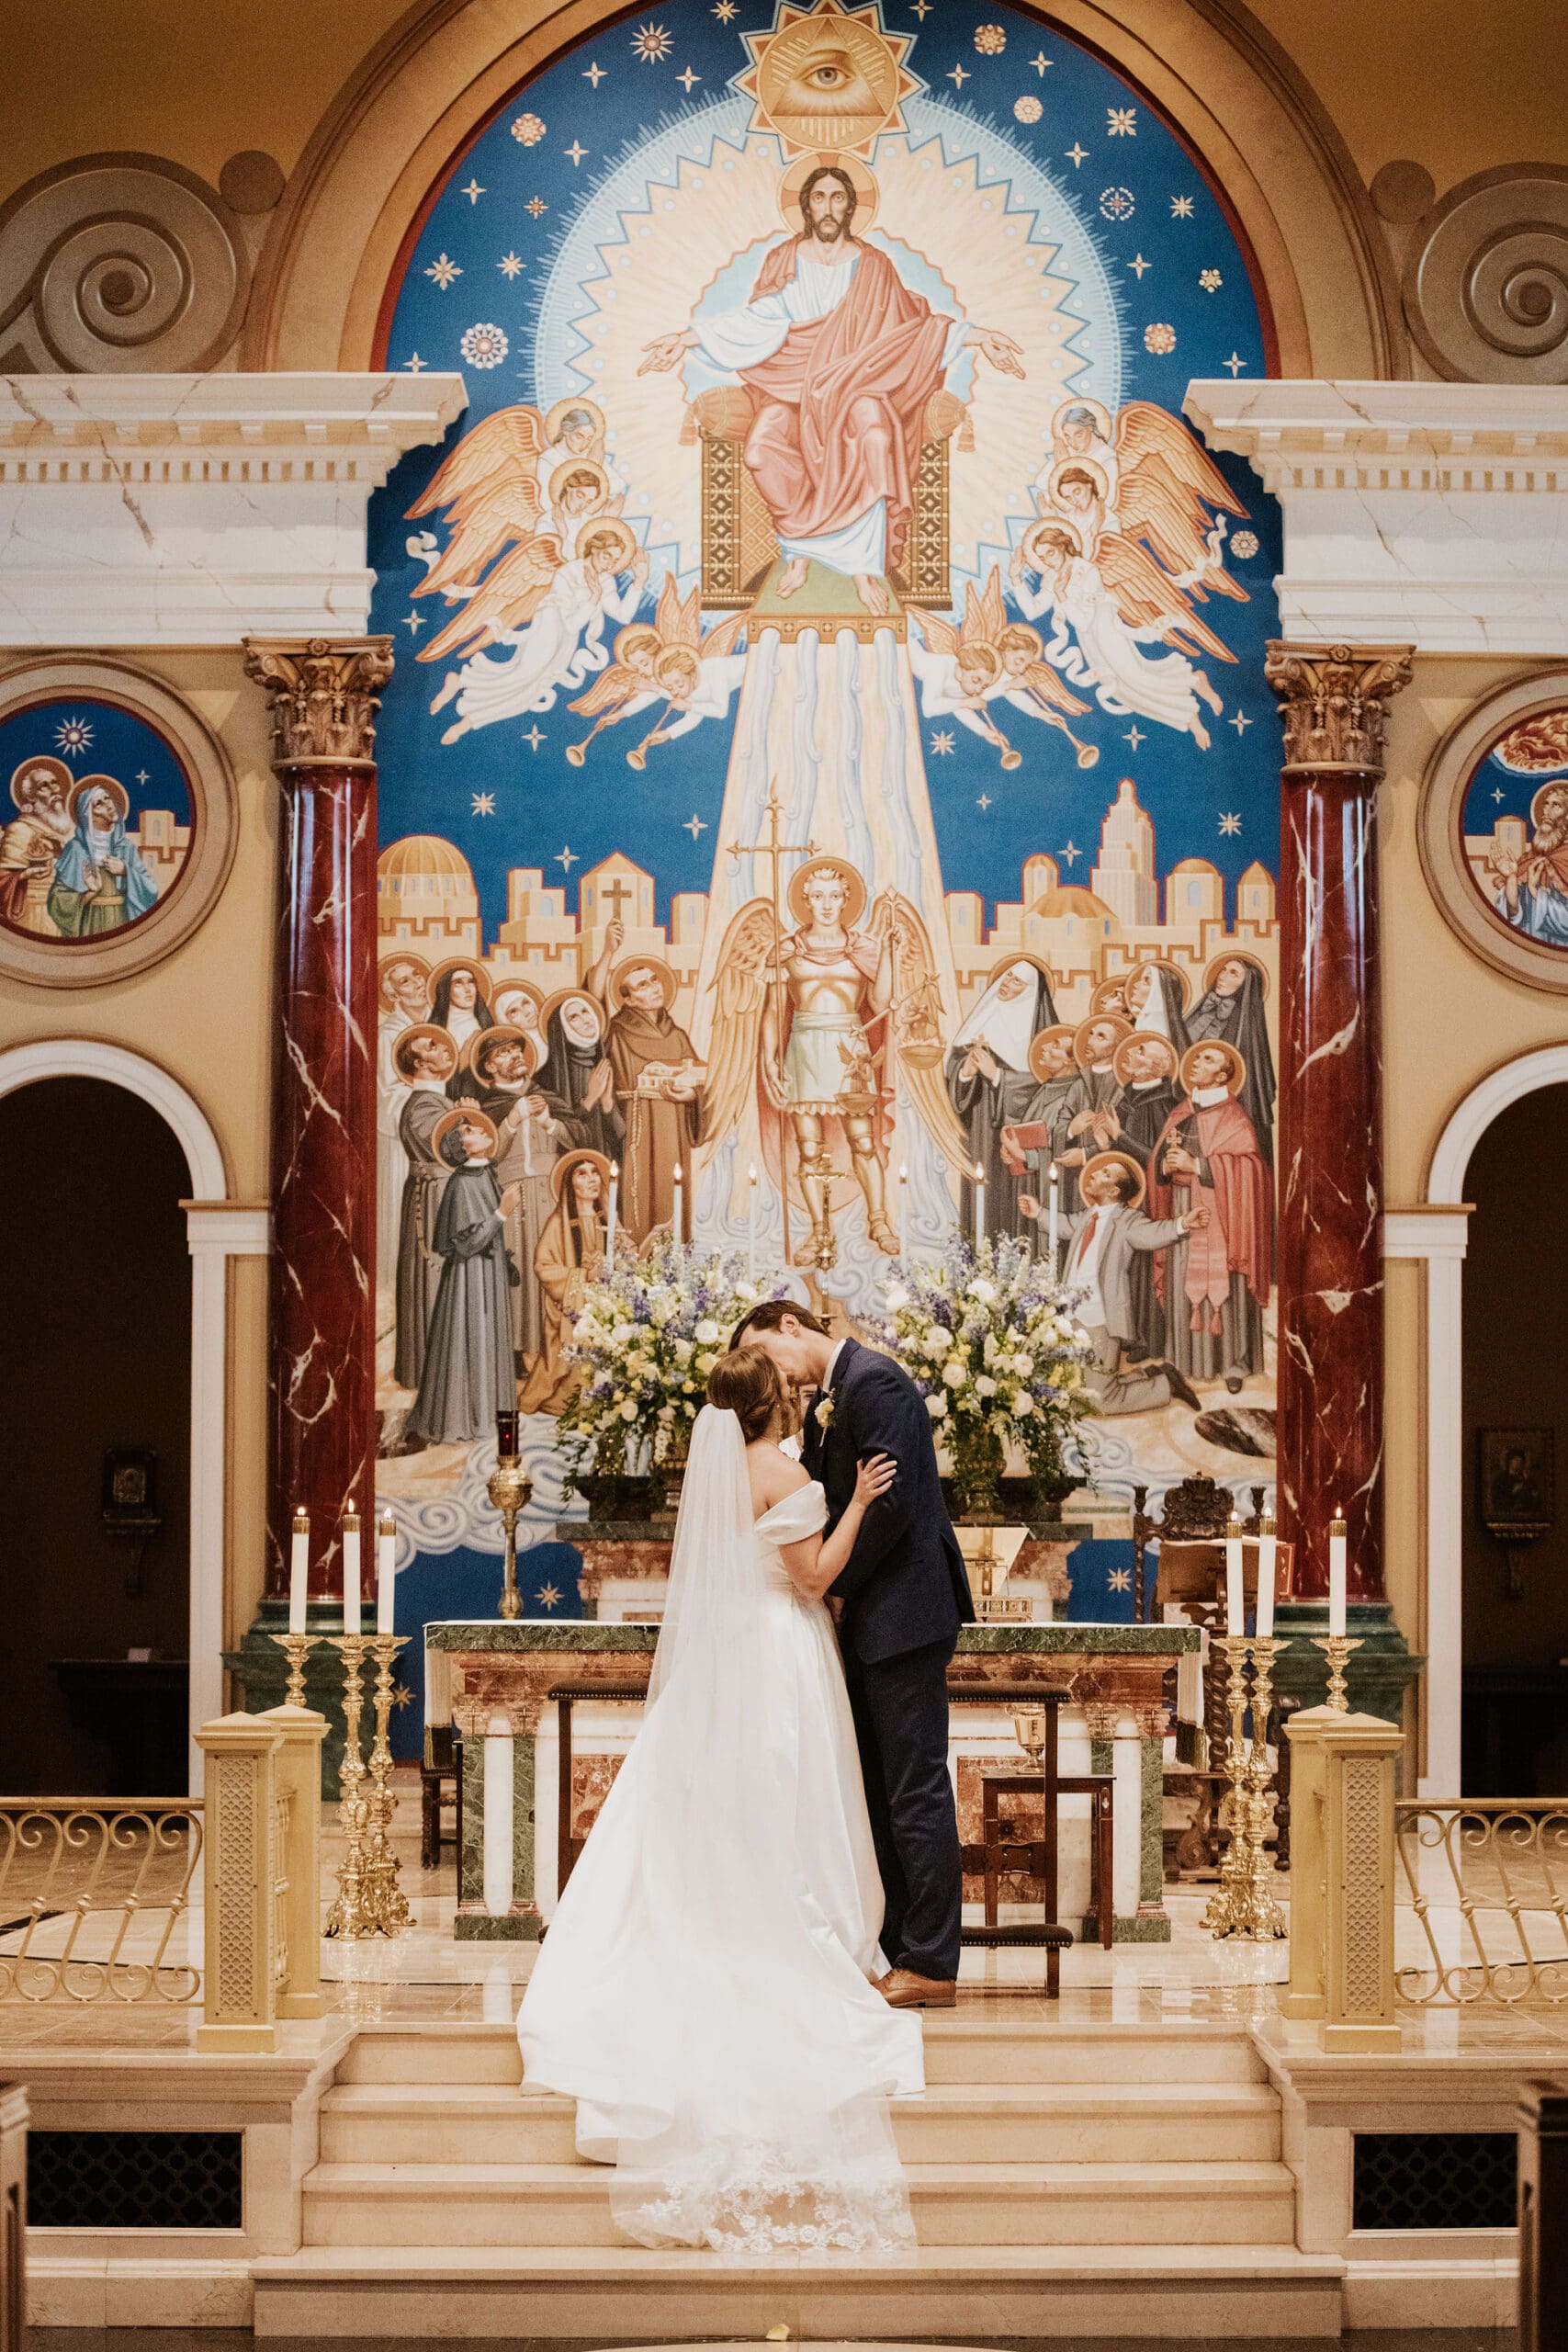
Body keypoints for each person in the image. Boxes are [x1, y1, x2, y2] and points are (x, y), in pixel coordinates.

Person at [517, 1351, 921, 2254]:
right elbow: (813, 1576)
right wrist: (855, 1501)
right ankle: (786, 1924)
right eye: (794, 1386)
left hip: (728, 1655)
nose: (806, 1392)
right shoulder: (781, 1469)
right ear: (772, 1400)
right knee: (784, 1806)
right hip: (781, 1651)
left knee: (706, 1807)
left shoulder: (723, 1468)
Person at [639, 162, 1021, 617]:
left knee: (876, 437)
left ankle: (863, 569)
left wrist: (977, 335)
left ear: (851, 206)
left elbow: (908, 330)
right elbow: (758, 323)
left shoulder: (874, 266)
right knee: (762, 450)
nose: (827, 207)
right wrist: (684, 340)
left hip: (861, 383)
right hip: (794, 387)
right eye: (818, 197)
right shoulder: (784, 259)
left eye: (837, 198)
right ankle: (799, 551)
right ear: (805, 205)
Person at [736, 1299, 974, 2007]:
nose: (775, 1377)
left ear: (789, 1325)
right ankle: (898, 1945)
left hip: (902, 1610)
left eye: (769, 1354)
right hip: (873, 1614)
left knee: (914, 1787)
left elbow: (891, 1501)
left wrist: (835, 1587)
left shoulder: (875, 1382)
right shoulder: (830, 1400)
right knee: (879, 1788)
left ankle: (932, 1960)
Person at [1021, 1152, 1204, 1414]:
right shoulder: (1089, 1215)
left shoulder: (1126, 1220)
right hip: (1072, 1315)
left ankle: (1165, 1385)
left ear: (1114, 1190)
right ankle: (1152, 1373)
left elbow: (1151, 1234)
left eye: (1104, 1174)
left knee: (1099, 1401)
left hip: (1101, 1318)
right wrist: (1039, 1212)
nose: (1094, 1173)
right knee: (1075, 1390)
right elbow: (1066, 1225)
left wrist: (1182, 1224)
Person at [1146, 1041, 1272, 1394]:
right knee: (1181, 1279)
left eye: (1208, 1059)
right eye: (1197, 1057)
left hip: (1223, 1215)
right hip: (1182, 1209)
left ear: (1223, 1074)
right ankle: (1182, 1359)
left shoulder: (1235, 1117)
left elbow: (1251, 1170)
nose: (1197, 1063)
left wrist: (1198, 1165)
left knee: (1226, 1287)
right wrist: (1163, 1166)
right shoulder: (1180, 1113)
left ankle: (1232, 1362)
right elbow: (1157, 1162)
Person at [404, 1110, 520, 1446]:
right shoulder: (461, 1183)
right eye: (469, 1130)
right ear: (462, 1147)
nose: (481, 1129)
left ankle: (490, 1416)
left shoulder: (485, 1173)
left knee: (489, 1334)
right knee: (472, 1334)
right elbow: (464, 1243)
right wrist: (502, 1212)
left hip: (490, 1270)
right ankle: (467, 1417)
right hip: (470, 1277)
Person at [944, 959, 1057, 1241]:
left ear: (1030, 991)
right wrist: (967, 1072)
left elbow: (1045, 1083)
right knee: (983, 1194)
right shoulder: (980, 1024)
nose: (1007, 983)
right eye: (1007, 977)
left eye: (1017, 981)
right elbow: (955, 1078)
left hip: (1019, 1136)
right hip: (981, 1130)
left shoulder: (1041, 1037)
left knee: (1017, 1201)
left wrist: (996, 1075)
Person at [601, 961, 703, 1245]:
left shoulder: (677, 1035)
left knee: (672, 1193)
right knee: (639, 1198)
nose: (654, 987)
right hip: (637, 1127)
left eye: (654, 979)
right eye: (642, 985)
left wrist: (692, 1095)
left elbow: (699, 1080)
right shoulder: (616, 1032)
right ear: (629, 998)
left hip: (674, 1128)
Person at [391, 1024, 458, 1392]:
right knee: (435, 1276)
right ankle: (435, 1372)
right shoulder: (422, 1104)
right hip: (433, 1200)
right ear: (420, 1063)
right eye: (432, 1046)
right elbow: (447, 1149)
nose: (444, 1047)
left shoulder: (438, 1100)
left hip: (444, 1194)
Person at [518, 1149, 611, 1416]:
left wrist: (652, 1237)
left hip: (602, 1305)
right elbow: (543, 1267)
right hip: (569, 1307)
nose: (592, 1179)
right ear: (570, 1184)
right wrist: (582, 1277)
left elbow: (625, 1256)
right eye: (583, 1174)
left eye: (595, 1173)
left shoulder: (605, 1219)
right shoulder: (558, 1223)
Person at [1187, 953, 1275, 1167]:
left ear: (1246, 984)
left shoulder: (1245, 1025)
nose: (1223, 976)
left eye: (1233, 973)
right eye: (1223, 970)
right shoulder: (1203, 1009)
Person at [47, 778, 159, 936]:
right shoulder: (76, 849)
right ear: (88, 815)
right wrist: (91, 892)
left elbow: (151, 890)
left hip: (123, 922)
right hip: (89, 923)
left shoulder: (126, 847)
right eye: (98, 804)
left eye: (107, 798)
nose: (108, 804)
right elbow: (56, 901)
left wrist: (126, 871)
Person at [0, 757, 73, 936]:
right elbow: (3, 879)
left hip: (70, 912)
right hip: (35, 912)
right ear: (31, 796)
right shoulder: (19, 830)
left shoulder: (71, 831)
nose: (54, 789)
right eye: (44, 785)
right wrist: (25, 875)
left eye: (55, 783)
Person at [429, 962, 496, 1054]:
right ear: (447, 990)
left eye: (471, 982)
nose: (467, 989)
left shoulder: (484, 1026)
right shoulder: (437, 1030)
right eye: (458, 984)